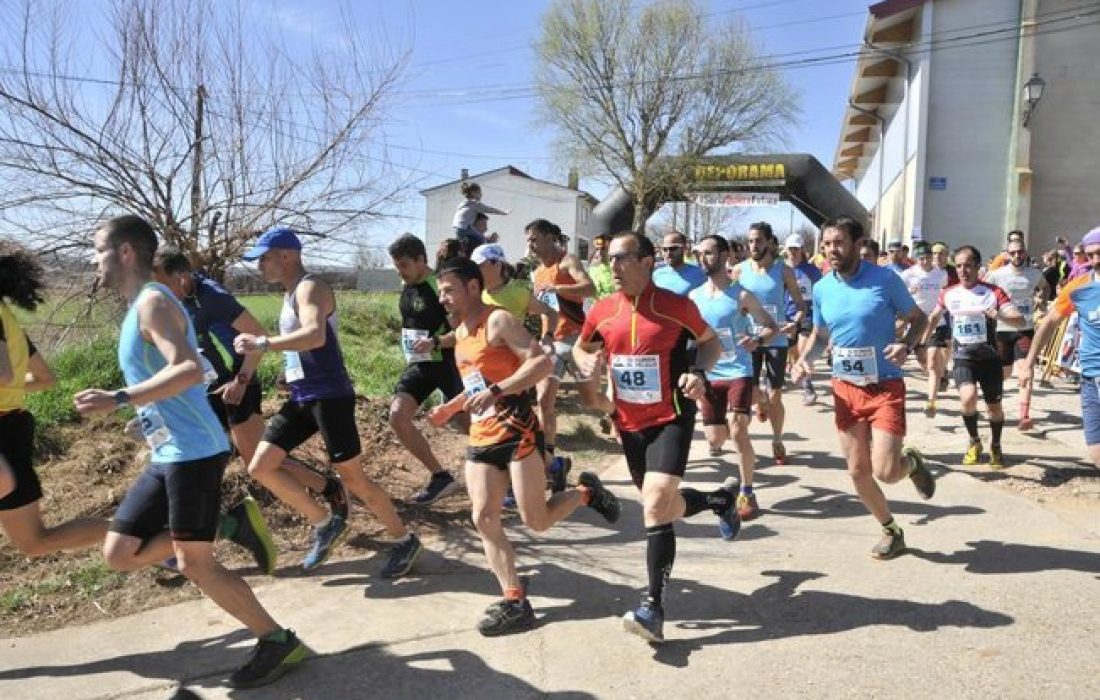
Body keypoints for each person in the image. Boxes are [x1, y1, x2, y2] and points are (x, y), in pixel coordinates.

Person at [77, 215, 307, 689]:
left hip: (194, 453)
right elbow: (187, 376)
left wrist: (121, 397)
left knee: (193, 563)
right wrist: (145, 417)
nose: (93, 259)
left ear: (124, 253)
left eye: (99, 250)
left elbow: (185, 369)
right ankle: (229, 524)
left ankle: (277, 639)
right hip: (168, 451)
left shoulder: (153, 303)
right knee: (120, 552)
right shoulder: (141, 306)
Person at [427, 257, 620, 636]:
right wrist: (450, 407)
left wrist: (501, 390)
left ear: (471, 287)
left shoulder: (497, 320)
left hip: (517, 432)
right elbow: (477, 384)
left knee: (537, 521)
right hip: (482, 436)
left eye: (449, 289)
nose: (443, 297)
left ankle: (585, 493)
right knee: (483, 517)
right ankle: (514, 600)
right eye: (440, 291)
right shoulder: (461, 330)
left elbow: (541, 364)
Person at [574, 231, 741, 644]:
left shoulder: (675, 306)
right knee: (663, 505)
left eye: (622, 258)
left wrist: (697, 372)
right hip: (629, 423)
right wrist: (587, 365)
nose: (612, 266)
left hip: (671, 415)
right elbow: (581, 347)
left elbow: (710, 344)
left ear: (648, 261)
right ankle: (720, 500)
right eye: (609, 258)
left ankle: (652, 608)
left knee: (654, 503)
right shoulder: (603, 310)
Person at [234, 227, 423, 576]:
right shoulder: (292, 293)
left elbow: (314, 335)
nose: (260, 266)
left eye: (264, 258)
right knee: (260, 465)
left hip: (330, 397)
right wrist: (287, 373)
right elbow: (302, 344)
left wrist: (263, 345)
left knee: (354, 478)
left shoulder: (311, 287)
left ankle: (404, 539)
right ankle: (326, 523)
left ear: (287, 255)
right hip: (303, 395)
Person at [150, 249, 347, 519]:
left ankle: (328, 490)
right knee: (234, 457)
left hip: (238, 385)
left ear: (182, 278)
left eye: (162, 284)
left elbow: (257, 335)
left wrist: (241, 380)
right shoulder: (181, 299)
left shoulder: (213, 297)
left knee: (260, 458)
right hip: (210, 389)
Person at [791, 216, 936, 561]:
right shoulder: (824, 287)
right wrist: (803, 359)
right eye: (826, 244)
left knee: (886, 471)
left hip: (884, 386)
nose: (831, 250)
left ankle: (911, 464)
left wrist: (907, 345)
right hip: (845, 388)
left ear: (857, 244)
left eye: (838, 242)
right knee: (858, 471)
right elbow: (821, 335)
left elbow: (918, 319)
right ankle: (891, 530)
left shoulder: (885, 279)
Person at [0, 243, 108, 559]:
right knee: (35, 542)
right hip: (12, 426)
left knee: (36, 541)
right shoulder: (9, 322)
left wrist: (9, 386)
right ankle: (149, 538)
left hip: (5, 432)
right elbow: (43, 378)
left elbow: (3, 374)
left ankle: (157, 537)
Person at [690, 235, 778, 521]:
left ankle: (747, 491)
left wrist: (756, 339)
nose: (703, 258)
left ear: (725, 255)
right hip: (710, 373)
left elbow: (770, 326)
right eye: (699, 253)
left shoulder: (741, 295)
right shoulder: (695, 297)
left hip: (738, 369)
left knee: (738, 430)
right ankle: (760, 396)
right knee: (715, 440)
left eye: (709, 253)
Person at [385, 234, 468, 505]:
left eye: (405, 265)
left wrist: (433, 342)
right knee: (398, 416)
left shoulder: (439, 287)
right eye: (397, 266)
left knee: (471, 424)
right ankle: (441, 477)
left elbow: (463, 333)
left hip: (450, 363)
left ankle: (524, 466)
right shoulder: (406, 284)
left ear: (422, 260)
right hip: (421, 365)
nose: (400, 271)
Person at [926, 245, 1025, 468]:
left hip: (990, 359)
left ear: (978, 267)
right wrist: (923, 338)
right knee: (968, 399)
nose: (963, 270)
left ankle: (996, 445)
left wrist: (1000, 315)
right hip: (963, 358)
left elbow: (1019, 319)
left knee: (994, 409)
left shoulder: (993, 292)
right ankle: (974, 441)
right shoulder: (949, 293)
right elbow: (934, 316)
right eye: (959, 266)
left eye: (968, 266)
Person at [1020, 227, 1100, 466]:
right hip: (1090, 378)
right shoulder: (1079, 288)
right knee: (1096, 454)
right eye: (1092, 254)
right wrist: (1029, 361)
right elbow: (1049, 323)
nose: (1097, 260)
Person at [527, 218, 596, 482]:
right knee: (544, 399)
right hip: (554, 341)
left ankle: (615, 417)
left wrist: (558, 287)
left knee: (591, 400)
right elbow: (547, 309)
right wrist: (544, 336)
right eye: (529, 241)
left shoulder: (567, 262)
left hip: (579, 339)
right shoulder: (537, 272)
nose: (530, 245)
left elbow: (590, 287)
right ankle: (551, 462)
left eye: (534, 239)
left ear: (548, 238)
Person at [731, 222, 805, 465]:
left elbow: (801, 306)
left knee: (776, 395)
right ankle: (759, 400)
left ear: (770, 243)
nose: (753, 245)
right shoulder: (740, 270)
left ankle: (777, 439)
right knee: (752, 394)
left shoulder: (784, 271)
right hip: (749, 340)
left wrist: (794, 322)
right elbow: (732, 305)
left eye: (759, 241)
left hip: (777, 339)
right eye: (750, 241)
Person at [985, 238, 1049, 382]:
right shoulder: (996, 275)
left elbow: (1045, 287)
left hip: (1025, 328)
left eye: (1020, 252)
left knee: (1025, 367)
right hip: (1003, 328)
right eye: (1012, 253)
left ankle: (1024, 404)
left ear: (1025, 253)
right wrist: (989, 310)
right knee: (1004, 373)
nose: (1016, 256)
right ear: (1007, 254)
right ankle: (996, 398)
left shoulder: (1034, 273)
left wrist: (1043, 302)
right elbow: (983, 291)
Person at [901, 241, 950, 417]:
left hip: (937, 322)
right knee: (923, 361)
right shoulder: (908, 275)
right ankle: (939, 377)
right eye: (921, 258)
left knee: (932, 361)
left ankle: (931, 401)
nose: (925, 262)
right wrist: (910, 293)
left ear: (932, 257)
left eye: (928, 258)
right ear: (916, 259)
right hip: (916, 323)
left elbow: (944, 293)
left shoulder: (941, 274)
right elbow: (901, 295)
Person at [783, 234, 823, 405]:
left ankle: (808, 388)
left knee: (803, 351)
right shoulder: (782, 270)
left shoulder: (812, 271)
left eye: (796, 249)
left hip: (807, 315)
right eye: (790, 249)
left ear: (801, 250)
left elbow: (821, 293)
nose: (793, 252)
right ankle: (794, 372)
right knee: (793, 353)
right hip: (787, 317)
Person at [452, 181, 508, 254]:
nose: (481, 195)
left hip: (455, 227)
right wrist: (503, 213)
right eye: (479, 193)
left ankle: (462, 248)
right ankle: (483, 253)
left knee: (462, 240)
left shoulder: (463, 203)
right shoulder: (475, 204)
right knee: (481, 238)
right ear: (473, 193)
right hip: (464, 227)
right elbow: (488, 209)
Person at [652, 231, 706, 295]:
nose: (668, 253)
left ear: (684, 249)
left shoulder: (700, 274)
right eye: (665, 249)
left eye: (673, 248)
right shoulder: (657, 274)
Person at [587, 233, 616, 300]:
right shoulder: (593, 270)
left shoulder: (620, 268)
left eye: (604, 249)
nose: (599, 253)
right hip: (600, 307)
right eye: (597, 249)